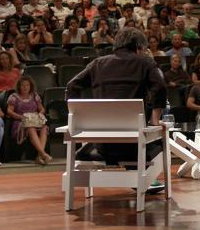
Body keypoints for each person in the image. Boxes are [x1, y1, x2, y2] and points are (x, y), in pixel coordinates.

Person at [66, 27, 167, 193]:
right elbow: (160, 86)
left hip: (101, 145)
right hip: (134, 145)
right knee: (160, 140)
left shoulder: (97, 63)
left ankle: (139, 177)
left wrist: (78, 118)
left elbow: (71, 86)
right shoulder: (145, 62)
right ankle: (142, 177)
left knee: (123, 140)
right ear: (138, 47)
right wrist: (155, 119)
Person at [7, 76, 52, 165]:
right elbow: (9, 111)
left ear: (30, 86)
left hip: (34, 120)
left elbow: (42, 109)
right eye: (23, 85)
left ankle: (39, 156)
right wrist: (21, 117)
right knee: (30, 128)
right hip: (20, 122)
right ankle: (43, 154)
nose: (25, 87)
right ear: (19, 86)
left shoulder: (35, 95)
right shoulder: (14, 96)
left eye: (27, 85)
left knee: (44, 128)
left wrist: (39, 115)